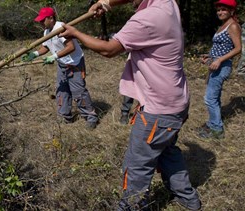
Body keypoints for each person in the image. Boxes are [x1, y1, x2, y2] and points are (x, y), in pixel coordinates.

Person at [59, 0, 201, 210]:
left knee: (137, 165)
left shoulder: (148, 18)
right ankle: (188, 198)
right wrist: (106, 3)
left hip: (158, 110)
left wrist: (76, 33)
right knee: (167, 152)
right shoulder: (168, 4)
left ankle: (131, 206)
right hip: (176, 103)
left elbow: (108, 50)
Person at [22, 7, 98, 128]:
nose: (41, 23)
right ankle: (65, 117)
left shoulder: (61, 28)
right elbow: (46, 46)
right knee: (62, 91)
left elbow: (70, 47)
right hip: (62, 64)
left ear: (51, 18)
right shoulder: (47, 31)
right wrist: (35, 54)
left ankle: (91, 117)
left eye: (43, 20)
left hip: (75, 64)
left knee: (78, 92)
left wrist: (54, 56)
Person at [198, 0, 241, 139]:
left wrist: (220, 60)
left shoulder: (233, 26)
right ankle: (213, 123)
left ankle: (217, 129)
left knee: (209, 98)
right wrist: (209, 56)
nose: (220, 12)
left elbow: (238, 48)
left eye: (224, 9)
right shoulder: (223, 25)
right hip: (215, 64)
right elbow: (221, 48)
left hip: (222, 66)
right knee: (214, 97)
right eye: (218, 10)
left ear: (231, 11)